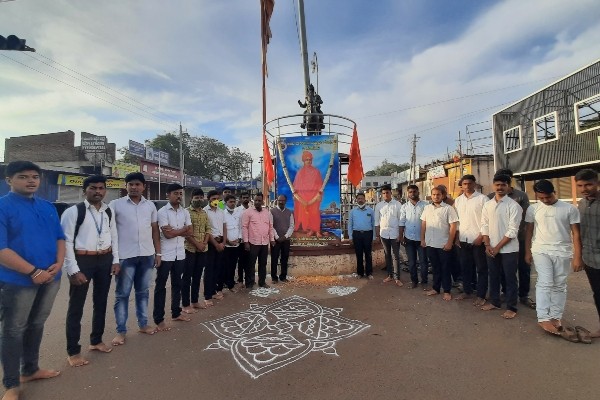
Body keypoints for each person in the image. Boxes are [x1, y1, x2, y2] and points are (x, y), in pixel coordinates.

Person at [0, 161, 64, 399]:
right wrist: (32, 272)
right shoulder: (3, 207)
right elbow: (1, 249)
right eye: (23, 176)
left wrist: (59, 263)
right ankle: (11, 384)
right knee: (13, 330)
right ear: (9, 180)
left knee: (37, 324)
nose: (31, 181)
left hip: (51, 277)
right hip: (17, 281)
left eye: (35, 177)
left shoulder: (47, 206)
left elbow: (60, 238)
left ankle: (31, 369)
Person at [61, 175, 120, 367]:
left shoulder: (108, 211)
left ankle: (96, 340)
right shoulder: (73, 212)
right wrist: (73, 269)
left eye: (101, 188)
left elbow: (114, 236)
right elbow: (66, 242)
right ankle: (73, 351)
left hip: (104, 259)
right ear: (85, 190)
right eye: (93, 188)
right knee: (76, 307)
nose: (98, 191)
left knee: (101, 302)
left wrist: (115, 260)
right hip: (82, 260)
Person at [109, 172, 161, 346]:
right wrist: (114, 259)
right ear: (126, 186)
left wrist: (157, 253)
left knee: (143, 292)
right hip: (125, 256)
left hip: (147, 255)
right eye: (130, 184)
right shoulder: (115, 205)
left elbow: (155, 230)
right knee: (122, 294)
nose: (134, 187)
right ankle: (121, 331)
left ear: (143, 186)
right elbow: (110, 232)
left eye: (137, 184)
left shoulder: (150, 206)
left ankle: (143, 324)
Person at [524, 180, 582, 335]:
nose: (545, 201)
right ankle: (543, 317)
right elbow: (529, 231)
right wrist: (527, 252)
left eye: (547, 197)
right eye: (541, 198)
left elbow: (576, 233)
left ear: (553, 192)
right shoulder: (533, 209)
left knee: (559, 284)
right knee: (545, 281)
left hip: (563, 251)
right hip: (540, 250)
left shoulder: (569, 209)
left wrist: (578, 256)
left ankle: (556, 316)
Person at [487, 169, 533, 308]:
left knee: (522, 269)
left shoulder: (520, 196)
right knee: (501, 271)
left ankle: (523, 296)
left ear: (510, 181)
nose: (500, 186)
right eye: (497, 182)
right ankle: (505, 294)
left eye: (504, 181)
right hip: (497, 240)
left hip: (519, 237)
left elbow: (524, 218)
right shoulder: (489, 197)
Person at [480, 174, 522, 319]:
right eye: (497, 185)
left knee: (510, 278)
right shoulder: (488, 204)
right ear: (493, 185)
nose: (500, 188)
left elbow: (512, 230)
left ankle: (512, 307)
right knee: (494, 276)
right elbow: (484, 225)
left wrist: (497, 247)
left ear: (509, 186)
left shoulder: (514, 205)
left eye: (503, 185)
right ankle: (495, 302)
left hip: (509, 249)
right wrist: (487, 244)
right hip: (490, 247)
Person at [153, 183, 192, 331]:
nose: (179, 196)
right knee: (161, 286)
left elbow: (190, 232)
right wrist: (183, 230)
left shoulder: (184, 212)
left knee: (177, 284)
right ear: (168, 195)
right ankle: (159, 319)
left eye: (180, 193)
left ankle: (176, 313)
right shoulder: (162, 212)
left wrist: (177, 231)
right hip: (166, 254)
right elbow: (168, 235)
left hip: (180, 253)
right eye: (175, 193)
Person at [453, 175, 488, 303]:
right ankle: (467, 291)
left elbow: (486, 220)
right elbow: (456, 221)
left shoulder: (482, 199)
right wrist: (456, 237)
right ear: (461, 186)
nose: (467, 186)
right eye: (464, 184)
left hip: (478, 239)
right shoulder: (458, 201)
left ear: (474, 184)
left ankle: (481, 295)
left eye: (469, 183)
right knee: (465, 267)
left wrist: (481, 236)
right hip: (463, 238)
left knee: (481, 269)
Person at [421, 187, 459, 301]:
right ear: (431, 195)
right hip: (430, 243)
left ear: (443, 195)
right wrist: (422, 239)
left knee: (445, 268)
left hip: (443, 244)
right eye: (433, 194)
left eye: (438, 194)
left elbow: (453, 227)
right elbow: (423, 224)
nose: (436, 196)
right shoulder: (427, 208)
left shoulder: (448, 209)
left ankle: (447, 291)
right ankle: (436, 288)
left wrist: (449, 242)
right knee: (435, 268)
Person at [575, 169, 600, 338]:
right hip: (590, 260)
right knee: (598, 295)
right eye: (580, 185)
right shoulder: (582, 204)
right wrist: (579, 256)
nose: (584, 188)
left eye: (588, 184)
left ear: (597, 183)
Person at [182, 189, 212, 313]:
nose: (199, 200)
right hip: (189, 249)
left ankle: (194, 301)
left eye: (201, 197)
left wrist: (204, 243)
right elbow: (186, 232)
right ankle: (185, 305)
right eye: (196, 197)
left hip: (202, 249)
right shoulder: (186, 212)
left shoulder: (204, 213)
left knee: (197, 276)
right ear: (191, 198)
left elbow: (208, 229)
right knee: (187, 277)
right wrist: (197, 244)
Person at [242, 193, 275, 288]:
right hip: (253, 243)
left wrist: (272, 239)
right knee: (251, 264)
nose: (257, 202)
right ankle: (250, 282)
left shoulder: (267, 212)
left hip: (264, 242)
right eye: (255, 200)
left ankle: (262, 282)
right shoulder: (248, 212)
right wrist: (246, 242)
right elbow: (244, 227)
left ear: (262, 201)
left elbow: (270, 227)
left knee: (263, 264)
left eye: (259, 200)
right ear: (253, 201)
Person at [399, 185, 428, 288]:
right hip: (409, 238)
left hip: (422, 239)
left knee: (423, 262)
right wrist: (401, 236)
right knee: (411, 262)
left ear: (418, 192)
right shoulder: (404, 207)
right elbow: (402, 222)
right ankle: (414, 281)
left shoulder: (426, 205)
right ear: (408, 194)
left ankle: (424, 282)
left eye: (414, 191)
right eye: (410, 192)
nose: (412, 193)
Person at [375, 184, 403, 286]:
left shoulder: (397, 205)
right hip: (384, 234)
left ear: (391, 193)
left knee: (395, 256)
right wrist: (377, 235)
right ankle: (390, 275)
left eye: (387, 192)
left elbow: (401, 221)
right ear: (381, 194)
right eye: (383, 193)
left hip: (395, 234)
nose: (385, 194)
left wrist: (400, 234)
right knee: (387, 255)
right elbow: (377, 221)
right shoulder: (379, 206)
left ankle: (397, 278)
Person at [293, 150, 324, 238]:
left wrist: (319, 196)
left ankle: (317, 230)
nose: (308, 161)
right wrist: (298, 198)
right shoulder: (300, 172)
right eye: (307, 160)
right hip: (303, 198)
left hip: (314, 197)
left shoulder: (316, 171)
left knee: (315, 213)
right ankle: (310, 230)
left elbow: (319, 184)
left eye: (310, 159)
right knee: (307, 214)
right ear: (303, 161)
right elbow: (296, 186)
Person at [204, 190, 226, 300]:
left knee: (219, 268)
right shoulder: (205, 212)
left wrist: (224, 242)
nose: (216, 201)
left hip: (221, 242)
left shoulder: (221, 210)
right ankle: (208, 294)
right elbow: (207, 230)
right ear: (208, 199)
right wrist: (216, 244)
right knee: (209, 269)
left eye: (217, 198)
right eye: (213, 199)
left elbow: (224, 226)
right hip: (211, 243)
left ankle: (216, 290)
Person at [348, 192, 375, 279]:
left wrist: (374, 237)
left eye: (361, 198)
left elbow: (373, 224)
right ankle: (360, 273)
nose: (360, 200)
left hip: (368, 234)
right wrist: (350, 237)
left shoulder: (370, 211)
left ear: (365, 199)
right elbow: (350, 225)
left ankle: (369, 273)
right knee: (359, 254)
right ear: (356, 200)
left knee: (368, 254)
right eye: (358, 198)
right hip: (357, 234)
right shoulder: (352, 212)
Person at [271, 194, 294, 283]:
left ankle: (283, 276)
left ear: (285, 201)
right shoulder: (272, 211)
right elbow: (271, 226)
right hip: (276, 240)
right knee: (274, 258)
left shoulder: (289, 212)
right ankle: (274, 277)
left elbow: (292, 226)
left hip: (286, 240)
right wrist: (277, 237)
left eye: (283, 200)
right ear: (277, 200)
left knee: (284, 258)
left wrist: (285, 236)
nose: (281, 202)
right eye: (279, 200)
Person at [223, 194, 243, 292]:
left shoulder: (238, 213)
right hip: (227, 244)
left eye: (234, 201)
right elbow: (222, 230)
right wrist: (228, 241)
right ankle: (228, 284)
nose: (232, 203)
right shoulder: (223, 214)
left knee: (233, 265)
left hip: (236, 244)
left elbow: (240, 227)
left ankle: (231, 282)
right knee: (227, 265)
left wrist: (239, 239)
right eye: (230, 202)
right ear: (226, 202)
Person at [235, 192, 251, 284]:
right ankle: (240, 279)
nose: (245, 199)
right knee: (241, 260)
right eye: (243, 197)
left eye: (247, 197)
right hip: (241, 239)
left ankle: (248, 279)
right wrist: (241, 237)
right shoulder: (237, 210)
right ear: (240, 199)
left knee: (249, 260)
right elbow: (237, 225)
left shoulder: (252, 210)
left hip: (251, 239)